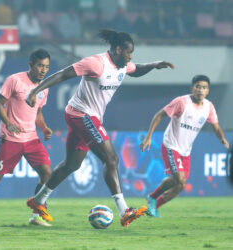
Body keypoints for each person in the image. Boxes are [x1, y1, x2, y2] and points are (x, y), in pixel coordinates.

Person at [25, 29, 174, 227]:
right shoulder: (96, 63)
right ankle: (124, 211)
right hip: (82, 114)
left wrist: (154, 65)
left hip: (84, 115)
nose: (130, 57)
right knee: (111, 159)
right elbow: (63, 74)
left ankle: (38, 200)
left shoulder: (123, 65)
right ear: (118, 49)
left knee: (72, 165)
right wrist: (36, 90)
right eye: (128, 53)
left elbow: (136, 69)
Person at [0, 49, 53, 227]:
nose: (43, 70)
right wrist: (8, 123)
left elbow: (38, 112)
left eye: (46, 67)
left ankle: (36, 216)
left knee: (47, 174)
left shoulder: (45, 87)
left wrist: (44, 128)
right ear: (30, 65)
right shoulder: (15, 80)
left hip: (31, 139)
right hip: (10, 139)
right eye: (40, 66)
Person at [140, 75, 229, 217]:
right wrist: (148, 137)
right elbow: (159, 115)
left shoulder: (208, 107)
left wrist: (222, 138)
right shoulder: (181, 102)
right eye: (198, 86)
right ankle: (152, 197)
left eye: (204, 87)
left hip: (185, 151)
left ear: (207, 90)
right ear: (192, 88)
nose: (200, 90)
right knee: (179, 179)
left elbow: (216, 126)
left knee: (181, 185)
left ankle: (154, 206)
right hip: (171, 145)